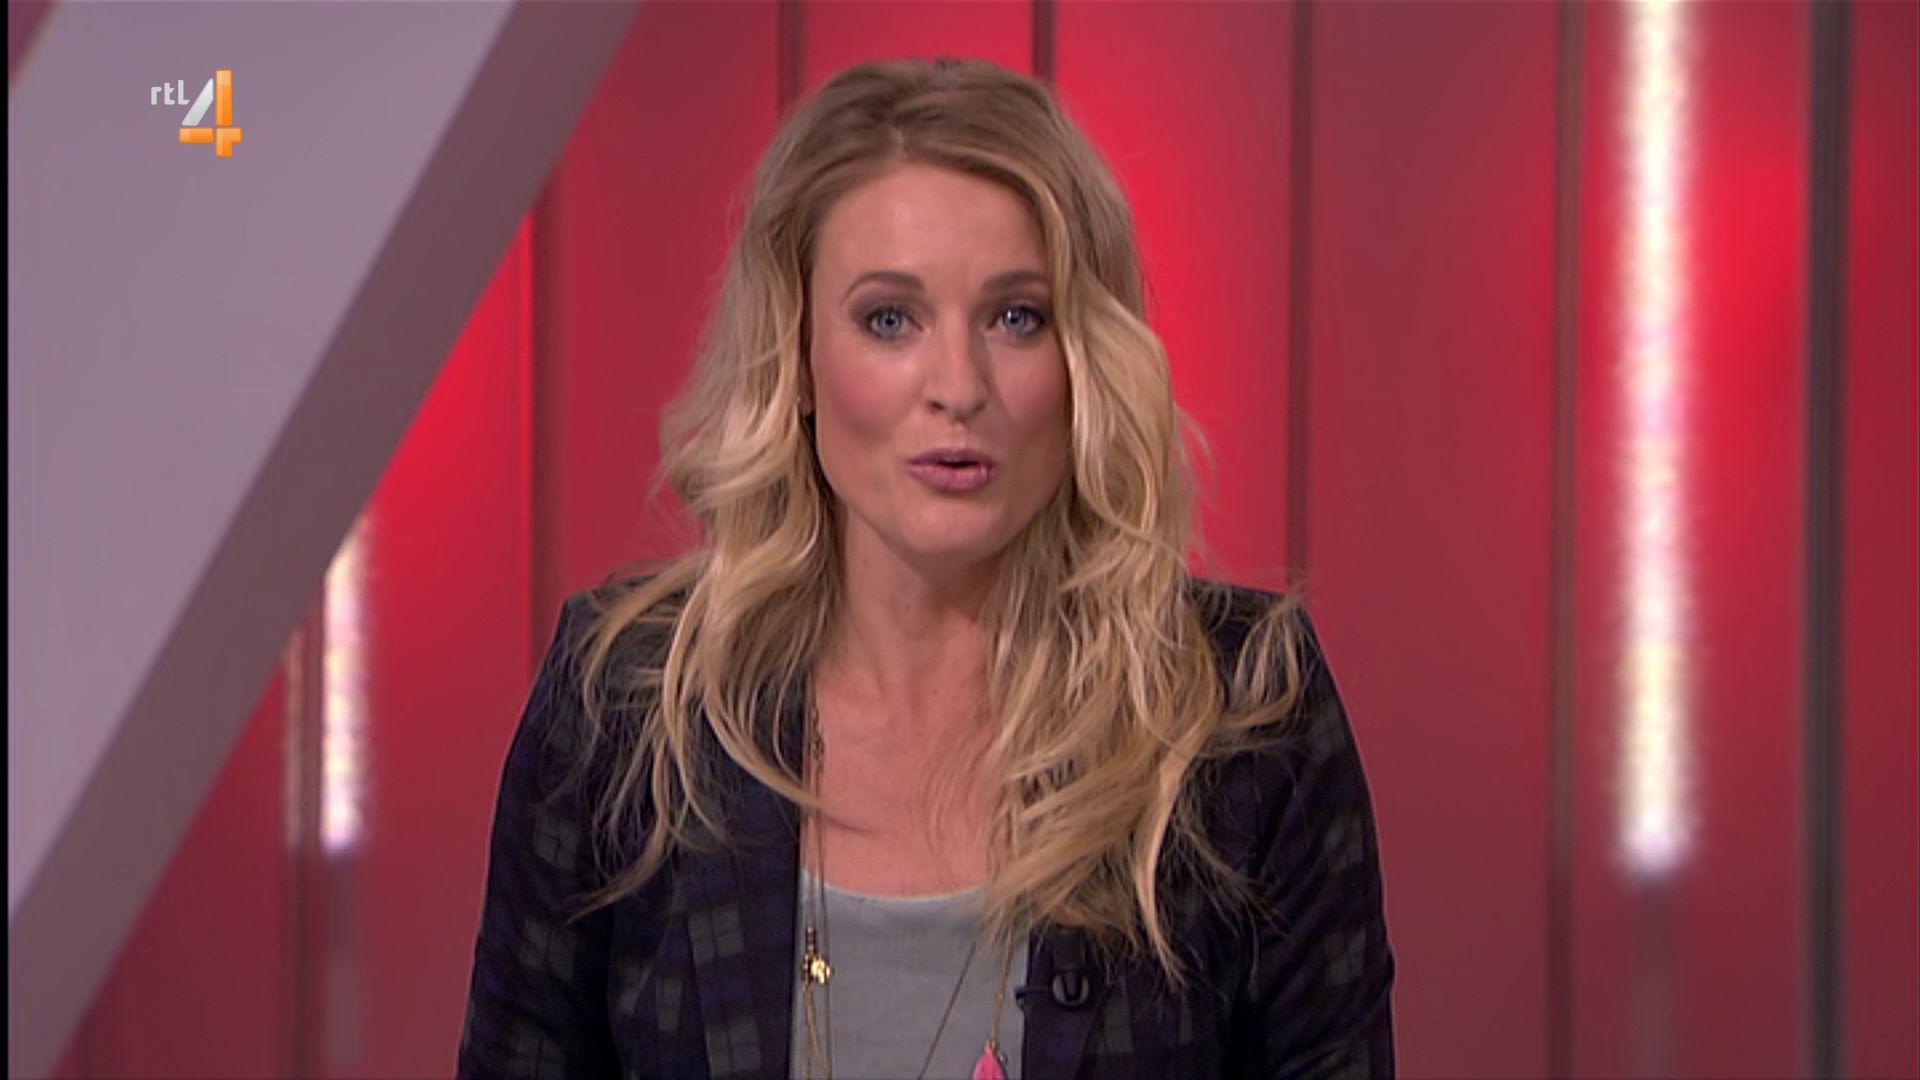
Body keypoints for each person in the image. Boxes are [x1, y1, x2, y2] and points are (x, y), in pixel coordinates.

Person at [457, 56, 1393, 1080]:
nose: (958, 385)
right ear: (797, 359)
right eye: (890, 319)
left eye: (1016, 317)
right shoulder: (629, 707)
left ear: (1083, 359)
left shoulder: (1242, 713)